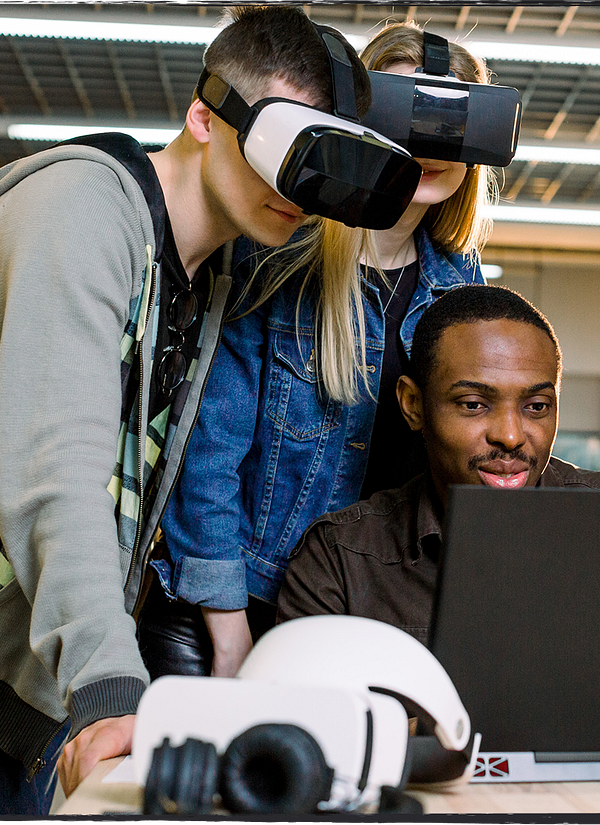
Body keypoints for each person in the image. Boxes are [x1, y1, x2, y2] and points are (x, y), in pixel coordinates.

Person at [0, 6, 364, 812]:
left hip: (30, 658)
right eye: (283, 145)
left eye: (316, 161)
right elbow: (57, 468)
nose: (296, 186)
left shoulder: (207, 273)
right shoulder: (81, 212)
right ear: (203, 115)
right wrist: (109, 682)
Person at [140, 22, 494, 681]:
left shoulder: (462, 288)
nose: (428, 145)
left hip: (369, 620)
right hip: (241, 609)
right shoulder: (273, 254)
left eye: (450, 120)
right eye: (406, 110)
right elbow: (207, 454)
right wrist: (231, 635)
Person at [277, 284, 600, 639]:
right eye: (473, 404)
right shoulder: (342, 563)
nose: (510, 436)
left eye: (537, 407)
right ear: (413, 405)